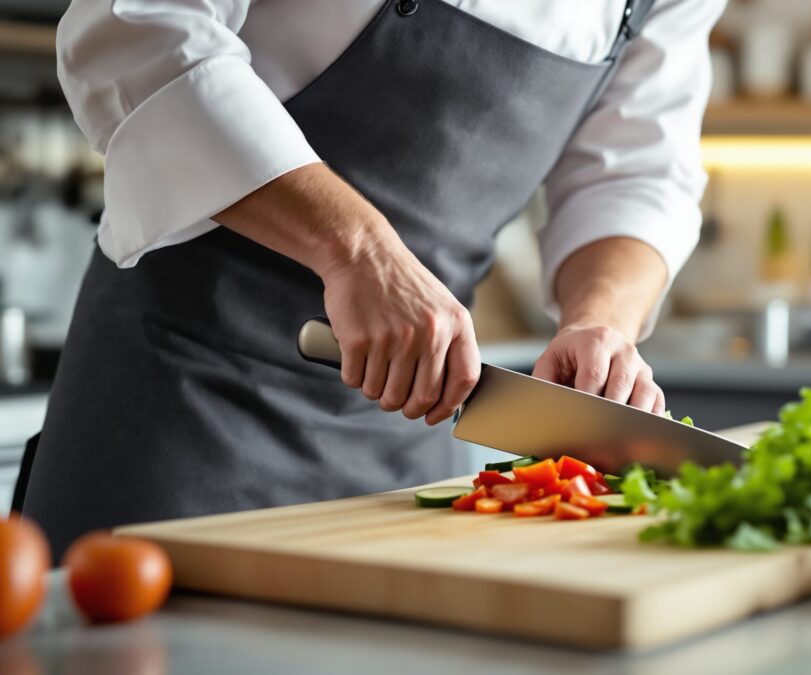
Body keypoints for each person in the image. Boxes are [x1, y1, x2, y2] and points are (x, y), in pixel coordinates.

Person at [16, 0, 725, 556]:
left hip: (409, 447)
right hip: (177, 417)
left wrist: (601, 320)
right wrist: (357, 251)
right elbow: (137, 32)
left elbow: (638, 171)